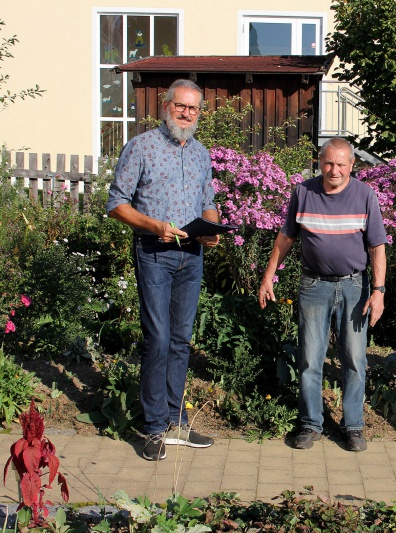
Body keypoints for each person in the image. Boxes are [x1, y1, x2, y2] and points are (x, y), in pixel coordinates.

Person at [107, 79, 219, 461]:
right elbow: (116, 203)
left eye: (193, 108)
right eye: (180, 106)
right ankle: (154, 428)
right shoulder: (141, 147)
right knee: (157, 339)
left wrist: (212, 228)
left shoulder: (201, 153)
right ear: (166, 105)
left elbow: (208, 201)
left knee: (181, 340)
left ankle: (176, 423)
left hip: (192, 256)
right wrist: (154, 225)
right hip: (155, 252)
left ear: (199, 113)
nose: (186, 113)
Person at [258, 137, 388, 452]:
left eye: (341, 164)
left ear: (352, 165)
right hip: (313, 286)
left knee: (354, 359)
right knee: (309, 358)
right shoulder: (303, 192)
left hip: (354, 287)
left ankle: (353, 426)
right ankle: (310, 424)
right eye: (328, 163)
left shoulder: (365, 195)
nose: (334, 170)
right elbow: (286, 238)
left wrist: (379, 291)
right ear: (320, 162)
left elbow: (377, 246)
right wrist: (268, 276)